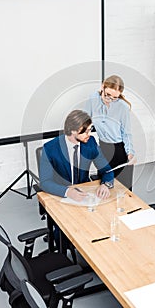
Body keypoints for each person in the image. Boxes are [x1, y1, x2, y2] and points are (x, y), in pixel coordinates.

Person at [40, 109, 114, 255]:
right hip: (60, 195)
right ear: (73, 131)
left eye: (91, 130)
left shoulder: (90, 143)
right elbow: (45, 182)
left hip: (85, 195)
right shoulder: (50, 148)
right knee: (67, 237)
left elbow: (107, 170)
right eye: (85, 131)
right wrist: (68, 192)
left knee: (105, 224)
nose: (89, 134)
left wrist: (105, 184)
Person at [85, 74, 136, 190]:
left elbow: (126, 133)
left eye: (114, 98)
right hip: (103, 148)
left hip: (119, 150)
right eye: (107, 95)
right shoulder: (93, 99)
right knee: (103, 186)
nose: (110, 100)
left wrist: (130, 153)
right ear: (102, 87)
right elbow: (85, 120)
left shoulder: (122, 107)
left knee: (122, 188)